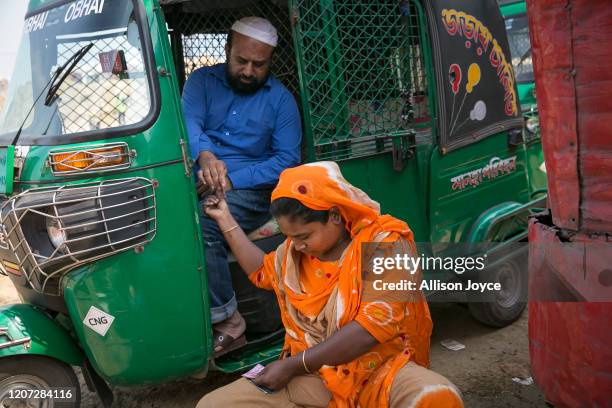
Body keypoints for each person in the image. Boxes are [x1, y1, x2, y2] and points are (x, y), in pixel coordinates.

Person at [197, 162, 463, 407]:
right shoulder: (295, 253)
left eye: (304, 235)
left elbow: (370, 329)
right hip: (315, 375)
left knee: (436, 396)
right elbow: (263, 272)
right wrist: (225, 219)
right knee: (212, 405)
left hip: (380, 368)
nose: (297, 245)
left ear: (334, 215)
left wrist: (293, 365)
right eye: (290, 236)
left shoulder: (386, 244)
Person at [182, 17, 302, 355]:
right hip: (197, 178)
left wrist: (232, 180)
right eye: (241, 61)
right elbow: (189, 122)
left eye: (258, 64)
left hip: (252, 189)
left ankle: (228, 322)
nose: (248, 70)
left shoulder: (280, 101)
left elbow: (287, 160)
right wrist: (205, 155)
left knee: (206, 222)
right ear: (227, 50)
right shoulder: (201, 82)